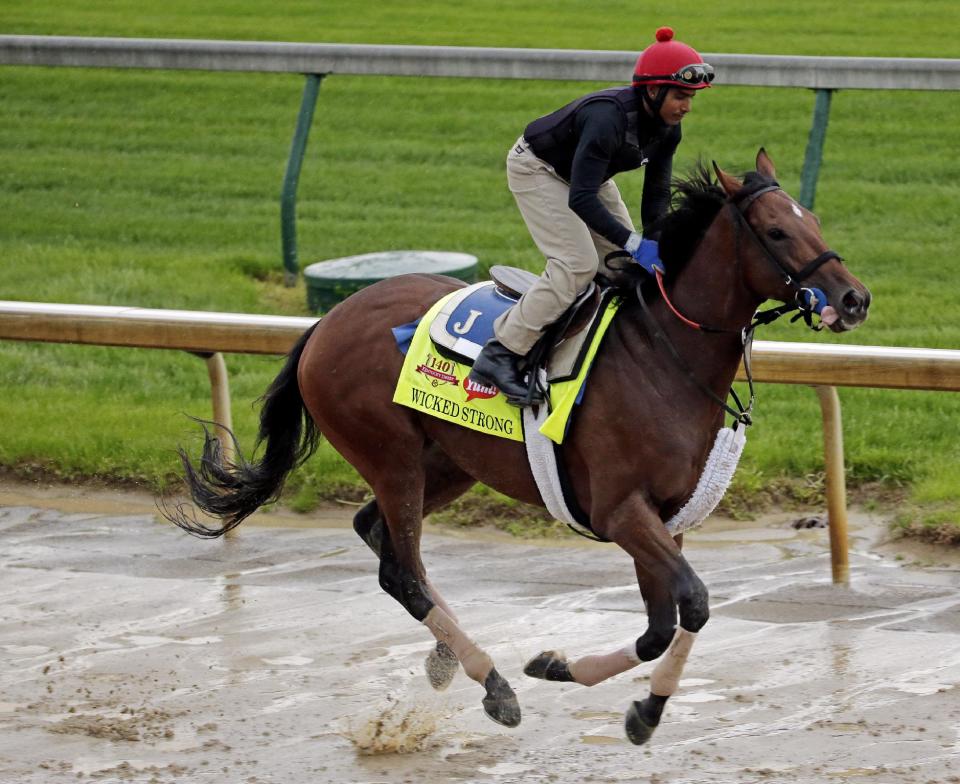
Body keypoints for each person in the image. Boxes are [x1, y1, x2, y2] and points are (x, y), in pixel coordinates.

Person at [468, 26, 714, 405]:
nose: (686, 107)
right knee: (576, 264)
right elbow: (581, 200)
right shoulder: (607, 119)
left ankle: (601, 348)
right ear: (653, 90)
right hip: (538, 169)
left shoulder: (669, 129)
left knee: (621, 267)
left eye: (691, 98)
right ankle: (501, 354)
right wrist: (634, 242)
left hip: (588, 177)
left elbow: (656, 196)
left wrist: (657, 243)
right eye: (680, 96)